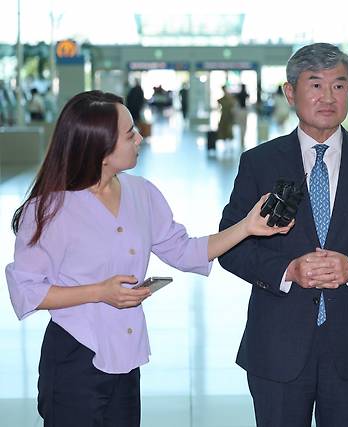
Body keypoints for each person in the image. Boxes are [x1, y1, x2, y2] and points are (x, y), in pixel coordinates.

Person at [5, 90, 293, 427]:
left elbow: (185, 251)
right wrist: (99, 292)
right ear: (100, 148)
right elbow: (28, 290)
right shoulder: (50, 210)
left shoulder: (141, 193)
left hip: (127, 354)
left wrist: (246, 227)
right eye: (129, 133)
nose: (140, 136)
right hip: (74, 356)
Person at [217, 43, 348, 426]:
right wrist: (287, 271)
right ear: (290, 92)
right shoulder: (260, 162)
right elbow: (231, 245)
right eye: (315, 85)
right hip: (277, 341)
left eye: (339, 86)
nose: (328, 97)